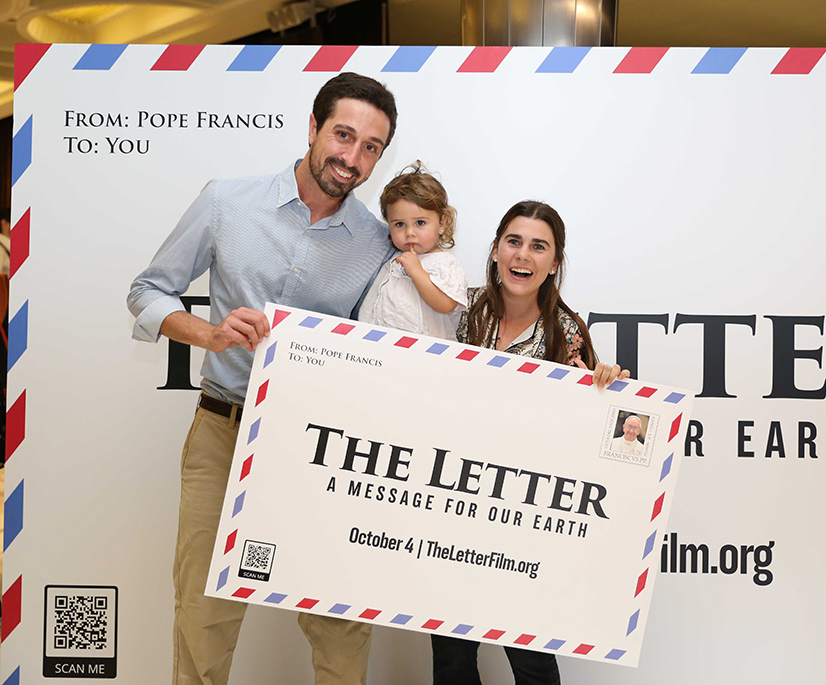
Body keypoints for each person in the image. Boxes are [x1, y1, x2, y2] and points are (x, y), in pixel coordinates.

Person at [127, 72, 398, 685]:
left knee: (341, 621)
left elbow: (395, 351)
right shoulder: (227, 201)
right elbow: (147, 290)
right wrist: (209, 333)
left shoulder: (379, 245)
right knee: (204, 615)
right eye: (343, 135)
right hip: (223, 431)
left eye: (371, 148)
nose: (352, 158)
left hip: (319, 450)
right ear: (313, 127)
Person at [433, 200, 626, 685]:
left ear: (555, 261)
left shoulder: (566, 331)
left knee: (532, 662)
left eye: (539, 246)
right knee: (451, 659)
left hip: (524, 523)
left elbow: (589, 430)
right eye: (514, 242)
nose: (523, 255)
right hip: (448, 511)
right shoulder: (458, 309)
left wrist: (607, 385)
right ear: (497, 248)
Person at [358, 162, 467, 339]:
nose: (409, 233)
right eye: (399, 224)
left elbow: (446, 304)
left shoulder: (444, 264)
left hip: (422, 353)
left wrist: (417, 271)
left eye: (420, 223)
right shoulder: (393, 257)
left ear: (442, 223)